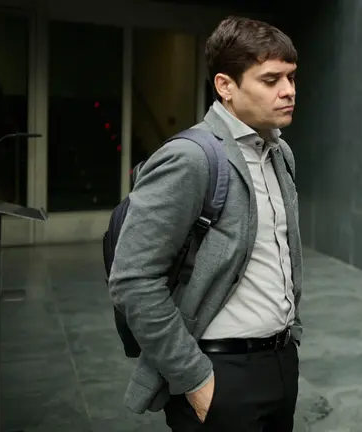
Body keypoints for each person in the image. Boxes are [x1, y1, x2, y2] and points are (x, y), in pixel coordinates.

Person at [109, 16, 302, 432]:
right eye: (271, 80)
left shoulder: (279, 152)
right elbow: (133, 278)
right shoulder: (190, 158)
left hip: (281, 361)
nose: (288, 91)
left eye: (290, 77)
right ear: (225, 86)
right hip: (218, 369)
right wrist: (194, 378)